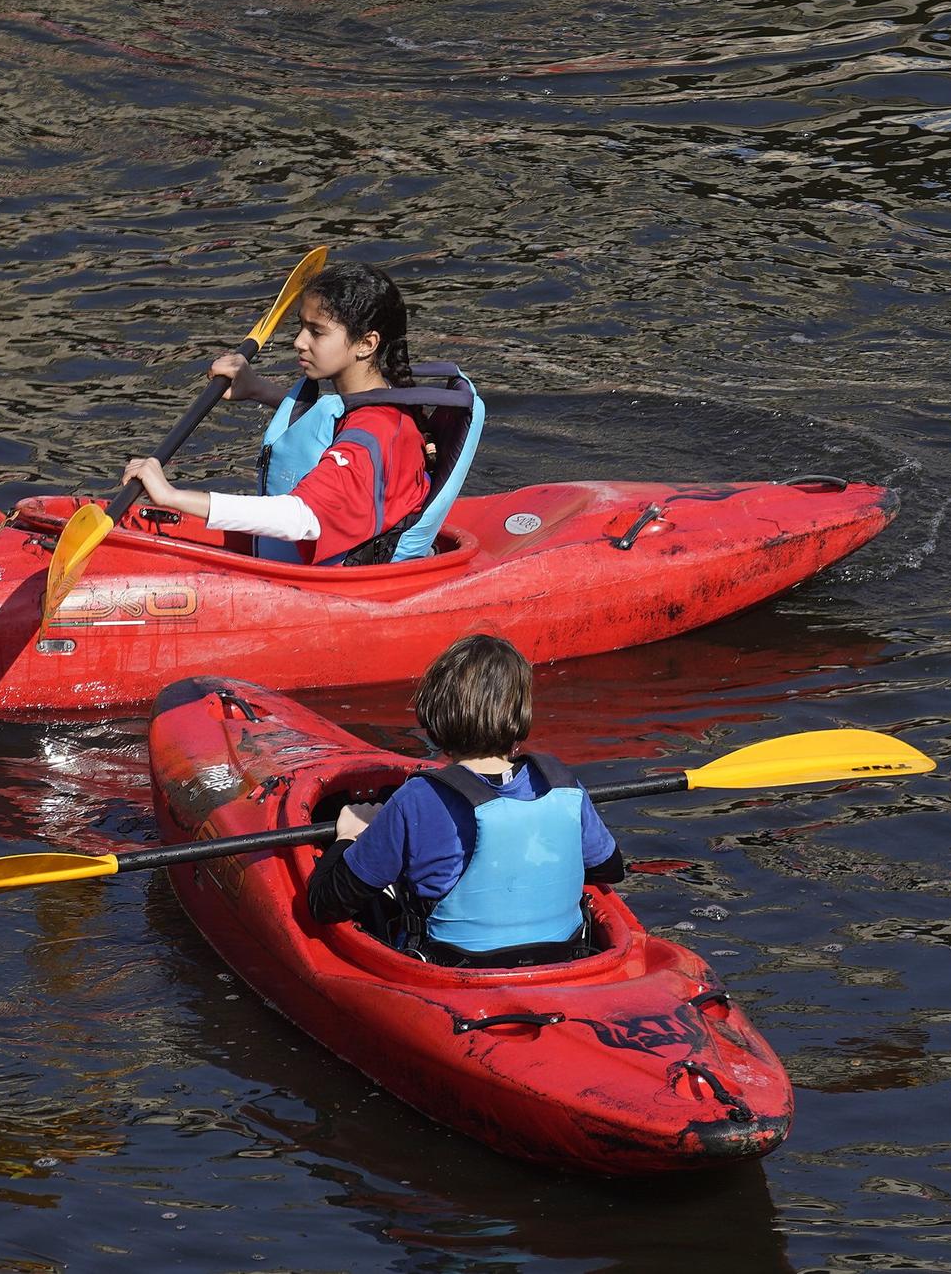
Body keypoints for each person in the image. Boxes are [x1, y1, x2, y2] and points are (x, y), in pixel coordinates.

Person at [306, 634, 628, 966]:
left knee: (379, 896)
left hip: (455, 974)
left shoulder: (417, 799)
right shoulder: (564, 786)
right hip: (565, 960)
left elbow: (325, 904)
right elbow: (609, 868)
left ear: (436, 717)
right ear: (520, 715)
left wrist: (348, 836)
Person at [121, 261, 432, 566]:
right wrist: (255, 388)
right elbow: (325, 424)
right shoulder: (378, 399)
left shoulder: (372, 434)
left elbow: (302, 518)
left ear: (366, 343)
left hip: (335, 589)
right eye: (301, 325)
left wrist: (171, 496)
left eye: (316, 332)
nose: (299, 341)